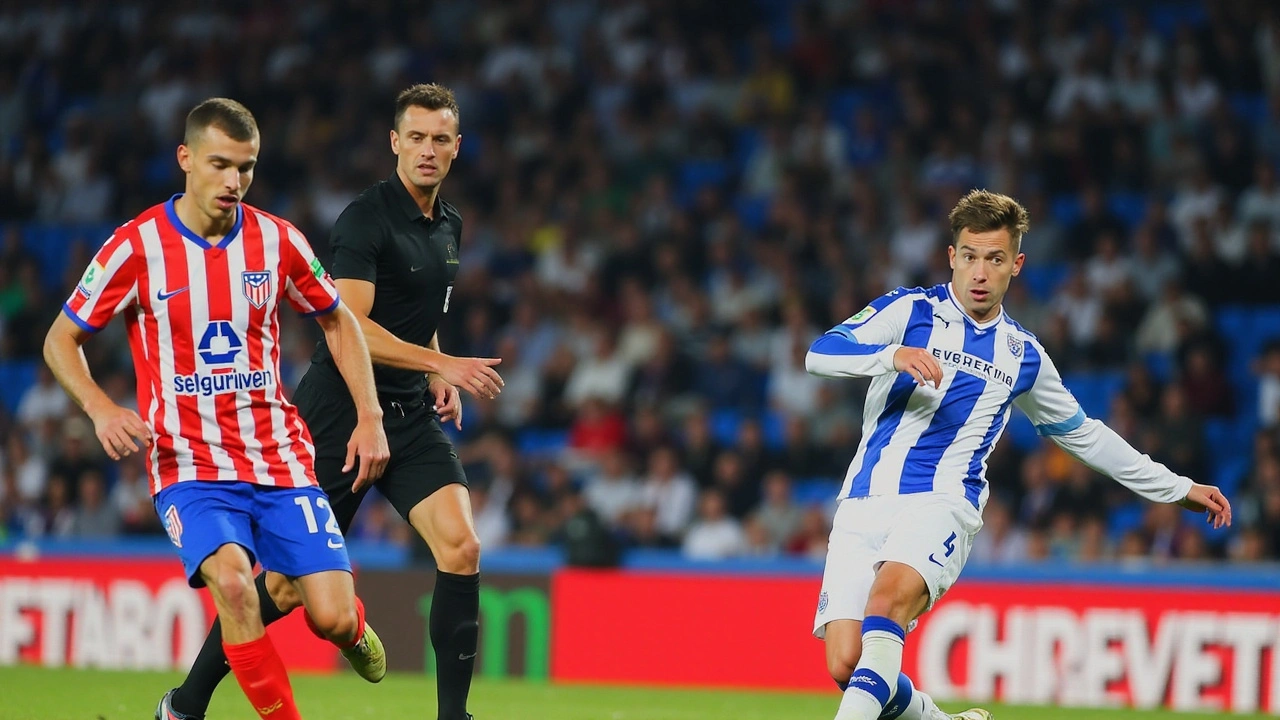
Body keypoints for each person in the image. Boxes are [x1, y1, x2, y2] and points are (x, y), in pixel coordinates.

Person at [804, 189, 1233, 720]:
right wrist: (892, 354)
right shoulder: (910, 310)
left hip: (941, 503)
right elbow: (820, 353)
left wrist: (1177, 487)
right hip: (863, 503)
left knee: (886, 605)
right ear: (952, 256)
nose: (980, 272)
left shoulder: (1023, 355)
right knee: (848, 664)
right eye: (970, 256)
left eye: (995, 259)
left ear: (1017, 265)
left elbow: (1085, 435)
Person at [43, 98, 392, 720]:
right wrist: (99, 408)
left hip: (279, 456)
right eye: (221, 165)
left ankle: (352, 628)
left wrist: (369, 414)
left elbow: (338, 321)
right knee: (234, 587)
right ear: (185, 159)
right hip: (189, 464)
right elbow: (59, 338)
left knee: (332, 618)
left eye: (247, 168)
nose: (234, 182)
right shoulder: (136, 246)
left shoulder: (278, 239)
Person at [167, 83, 503, 720]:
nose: (427, 151)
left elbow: (418, 314)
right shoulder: (366, 219)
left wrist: (431, 371)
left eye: (440, 140)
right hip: (339, 412)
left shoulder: (449, 224)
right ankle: (186, 702)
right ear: (394, 143)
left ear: (456, 148)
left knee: (462, 546)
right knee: (287, 586)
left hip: (406, 414)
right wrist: (443, 363)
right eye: (416, 138)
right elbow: (350, 324)